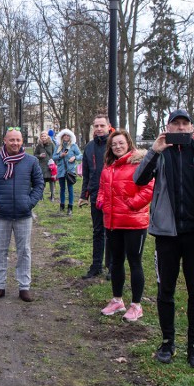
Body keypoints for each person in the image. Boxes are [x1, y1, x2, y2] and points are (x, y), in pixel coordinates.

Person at [134, 109, 194, 368]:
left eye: (185, 124)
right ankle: (167, 342)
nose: (181, 128)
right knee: (166, 290)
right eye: (176, 124)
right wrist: (154, 150)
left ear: (192, 128)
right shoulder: (160, 155)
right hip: (167, 234)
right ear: (168, 128)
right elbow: (138, 180)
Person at [0, 127, 44, 302]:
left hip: (23, 215)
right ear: (4, 141)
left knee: (24, 251)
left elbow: (39, 185)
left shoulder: (31, 161)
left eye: (18, 140)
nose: (15, 143)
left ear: (22, 141)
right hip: (1, 214)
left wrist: (29, 203)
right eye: (11, 140)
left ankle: (24, 287)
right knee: (0, 251)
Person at [96, 129, 154, 322]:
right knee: (116, 262)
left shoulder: (139, 163)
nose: (118, 147)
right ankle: (117, 300)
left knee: (134, 262)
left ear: (128, 143)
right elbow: (103, 189)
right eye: (114, 144)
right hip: (113, 222)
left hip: (134, 222)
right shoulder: (108, 166)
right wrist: (101, 202)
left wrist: (131, 204)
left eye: (121, 143)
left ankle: (136, 305)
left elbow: (149, 189)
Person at [79, 114, 112, 279]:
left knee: (112, 232)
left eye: (102, 126)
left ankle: (112, 267)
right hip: (96, 195)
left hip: (113, 196)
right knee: (97, 231)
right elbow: (86, 173)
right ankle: (96, 265)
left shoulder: (115, 144)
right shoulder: (89, 147)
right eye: (96, 126)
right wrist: (84, 194)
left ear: (108, 126)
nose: (99, 129)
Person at [53, 129, 82, 215]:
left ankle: (70, 207)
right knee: (62, 189)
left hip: (70, 171)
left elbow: (80, 155)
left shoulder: (73, 146)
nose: (66, 137)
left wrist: (75, 158)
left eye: (67, 135)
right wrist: (60, 155)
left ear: (70, 137)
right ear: (62, 137)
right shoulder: (58, 146)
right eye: (64, 135)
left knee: (70, 189)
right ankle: (62, 206)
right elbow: (54, 157)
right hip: (61, 170)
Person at [33, 131, 56, 201]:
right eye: (42, 136)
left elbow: (55, 154)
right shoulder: (39, 145)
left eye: (45, 136)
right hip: (42, 165)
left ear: (47, 136)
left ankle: (52, 196)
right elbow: (35, 155)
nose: (43, 137)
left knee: (51, 181)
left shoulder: (52, 144)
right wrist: (39, 155)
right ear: (40, 137)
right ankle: (41, 196)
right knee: (42, 181)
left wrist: (54, 162)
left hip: (50, 166)